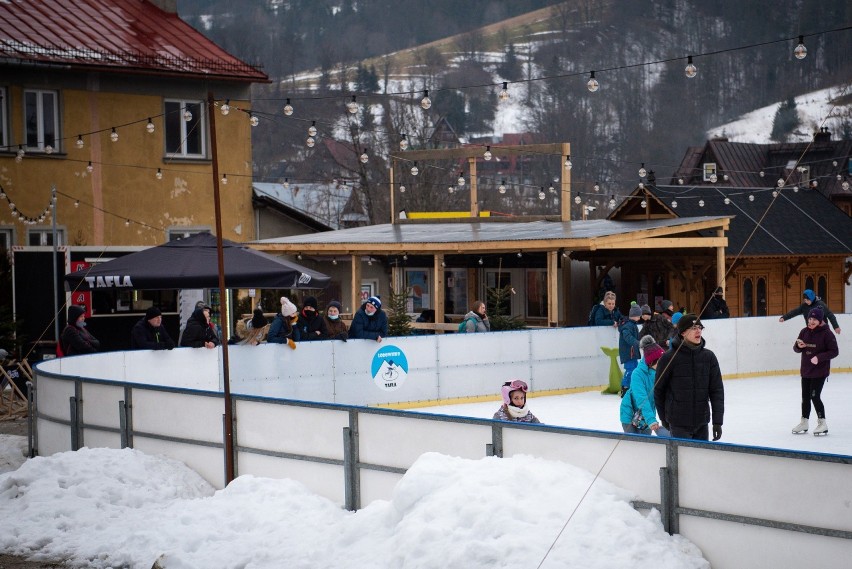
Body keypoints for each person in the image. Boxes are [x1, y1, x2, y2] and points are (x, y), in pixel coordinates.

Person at [654, 314, 724, 441]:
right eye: (693, 328)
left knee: (700, 459)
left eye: (700, 327)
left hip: (702, 423)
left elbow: (717, 390)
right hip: (678, 423)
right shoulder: (669, 358)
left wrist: (717, 421)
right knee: (682, 460)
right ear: (682, 332)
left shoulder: (709, 357)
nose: (698, 331)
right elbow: (659, 390)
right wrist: (663, 418)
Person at [791, 307, 839, 436]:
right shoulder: (804, 332)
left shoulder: (827, 334)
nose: (811, 321)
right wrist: (798, 346)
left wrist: (819, 357)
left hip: (819, 371)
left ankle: (822, 423)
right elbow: (796, 348)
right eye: (809, 318)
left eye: (814, 319)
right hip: (806, 370)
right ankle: (804, 422)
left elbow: (834, 351)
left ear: (820, 320)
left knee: (814, 396)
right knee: (805, 397)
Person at [620, 336, 669, 436]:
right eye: (659, 362)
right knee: (635, 445)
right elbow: (642, 399)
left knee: (646, 446)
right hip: (630, 415)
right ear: (651, 362)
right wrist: (651, 419)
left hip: (647, 415)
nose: (663, 364)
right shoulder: (637, 374)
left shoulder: (661, 372)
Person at [618, 303, 642, 396]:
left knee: (634, 369)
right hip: (628, 353)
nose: (640, 317)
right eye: (639, 315)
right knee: (630, 369)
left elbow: (635, 337)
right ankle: (625, 387)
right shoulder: (627, 326)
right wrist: (637, 343)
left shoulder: (633, 324)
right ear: (634, 315)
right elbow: (628, 337)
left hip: (632, 352)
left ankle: (630, 387)